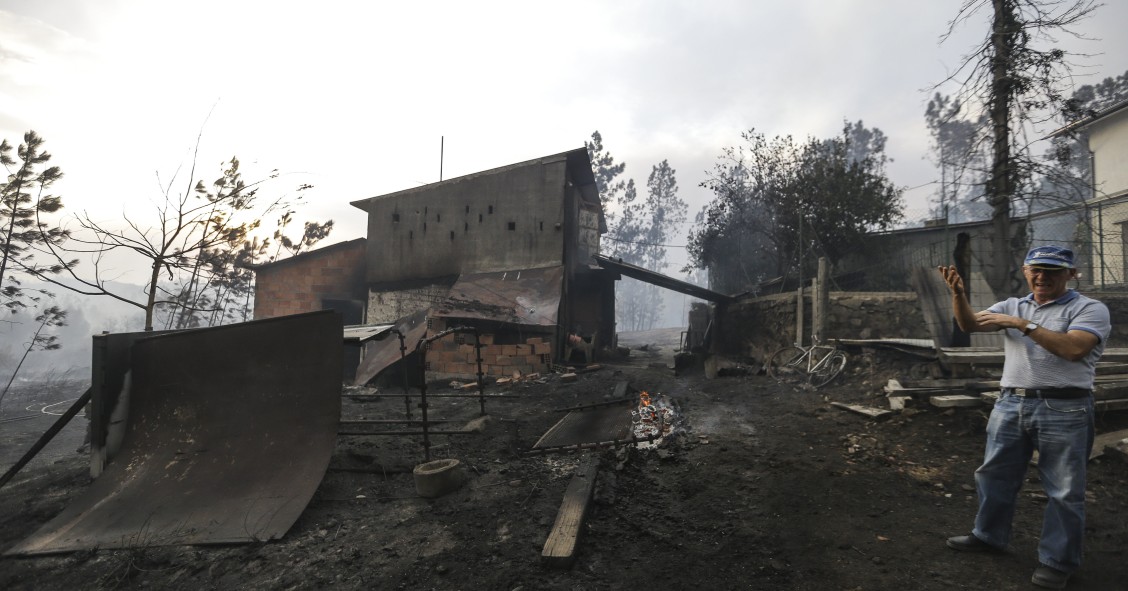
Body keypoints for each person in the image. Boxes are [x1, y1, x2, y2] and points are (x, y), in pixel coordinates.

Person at [938, 245, 1111, 590]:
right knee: (993, 476)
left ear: (1071, 274)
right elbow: (969, 324)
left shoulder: (1090, 308)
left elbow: (1073, 349)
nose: (1042, 277)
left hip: (1066, 407)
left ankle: (1057, 561)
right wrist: (959, 295)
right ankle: (988, 536)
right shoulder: (1012, 304)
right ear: (1025, 270)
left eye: (1052, 271)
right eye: (1036, 270)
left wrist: (1022, 324)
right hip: (1010, 403)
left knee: (1063, 490)